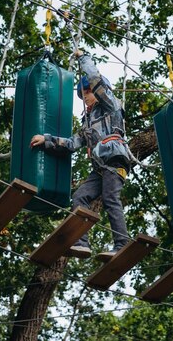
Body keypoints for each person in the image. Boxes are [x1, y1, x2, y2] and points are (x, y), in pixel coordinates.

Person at [30, 50, 131, 261]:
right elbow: (71, 144)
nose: (86, 96)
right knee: (79, 197)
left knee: (111, 199)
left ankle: (122, 243)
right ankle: (82, 242)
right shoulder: (87, 124)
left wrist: (83, 57)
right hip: (100, 167)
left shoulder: (110, 105)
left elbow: (94, 79)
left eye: (88, 92)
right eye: (83, 94)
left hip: (114, 159)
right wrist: (46, 140)